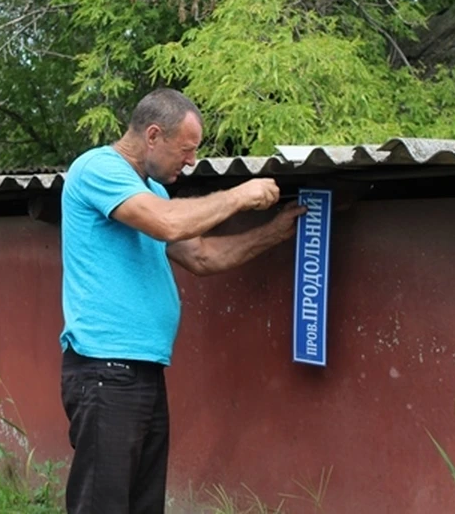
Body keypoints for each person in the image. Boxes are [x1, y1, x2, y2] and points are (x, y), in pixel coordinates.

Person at [60, 88, 307, 514]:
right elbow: (167, 223)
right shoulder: (98, 168)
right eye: (186, 149)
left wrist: (275, 232)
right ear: (153, 135)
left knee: (143, 505)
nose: (191, 161)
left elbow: (202, 255)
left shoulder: (151, 188)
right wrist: (239, 195)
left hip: (143, 371)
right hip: (106, 370)